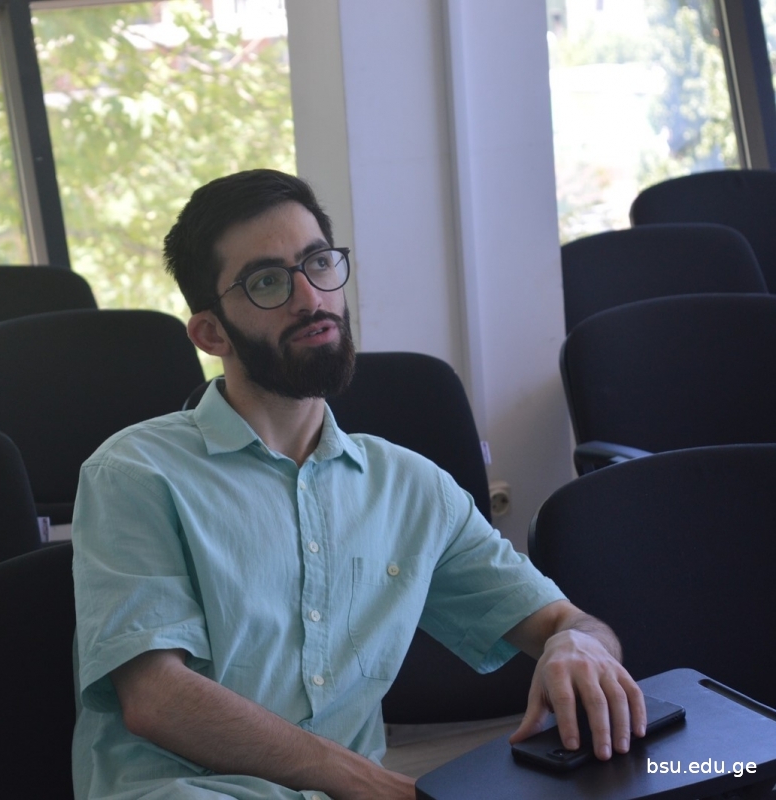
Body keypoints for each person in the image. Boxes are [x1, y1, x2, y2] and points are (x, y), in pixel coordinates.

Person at [71, 169, 644, 800]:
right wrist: (369, 782)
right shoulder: (135, 473)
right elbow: (155, 697)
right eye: (267, 282)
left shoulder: (411, 487)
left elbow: (566, 620)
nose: (310, 298)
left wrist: (577, 646)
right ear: (211, 333)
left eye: (319, 263)